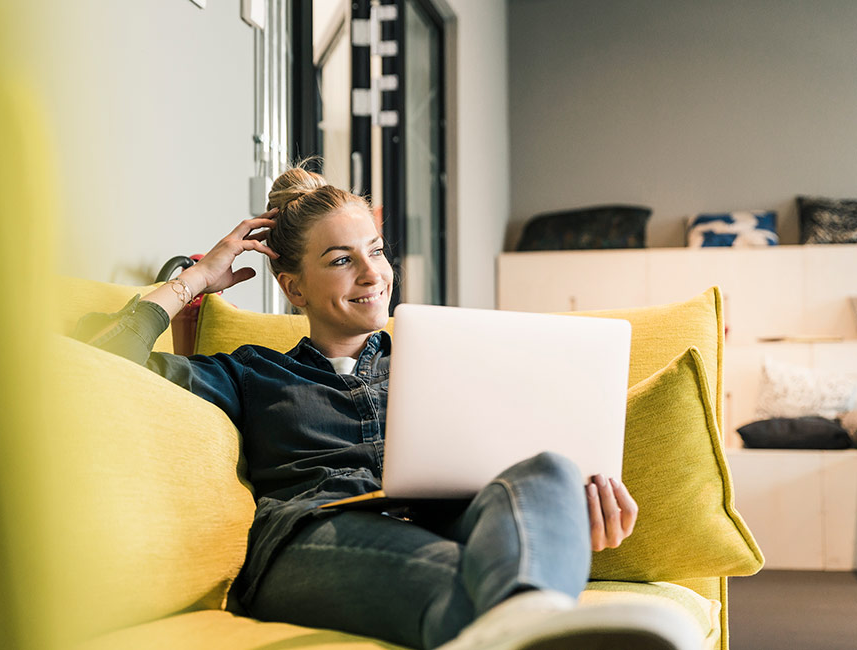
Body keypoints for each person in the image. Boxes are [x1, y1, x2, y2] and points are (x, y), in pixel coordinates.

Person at [76, 164, 701, 650]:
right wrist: (197, 278)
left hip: (443, 524)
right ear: (293, 287)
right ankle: (528, 611)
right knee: (474, 585)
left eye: (375, 250)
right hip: (311, 537)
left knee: (552, 471)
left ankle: (524, 612)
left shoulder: (443, 358)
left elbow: (499, 476)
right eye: (341, 260)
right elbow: (102, 364)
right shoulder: (249, 372)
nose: (371, 274)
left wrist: (569, 513)